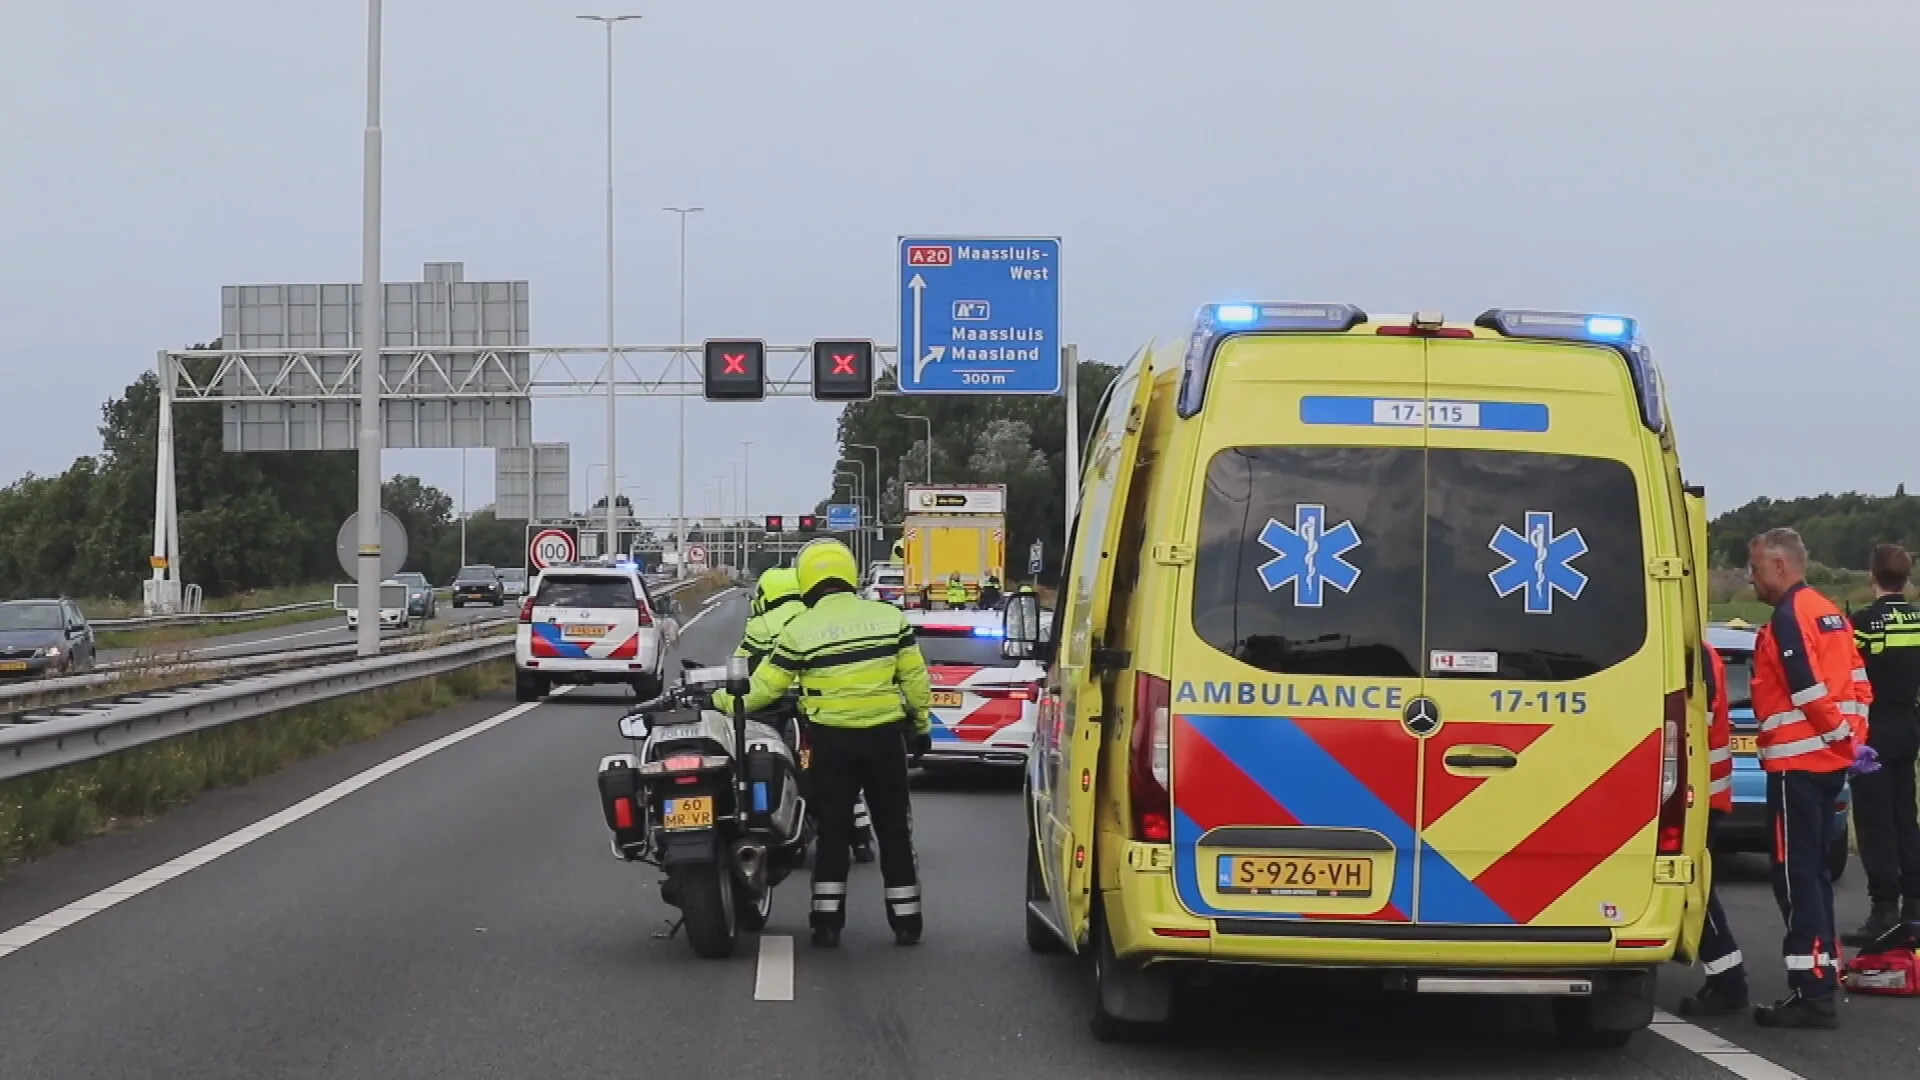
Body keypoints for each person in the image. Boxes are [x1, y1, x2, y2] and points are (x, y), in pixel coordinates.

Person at [713, 539, 933, 948]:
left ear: (808, 580)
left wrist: (720, 701)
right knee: (894, 832)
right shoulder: (890, 619)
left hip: (833, 743)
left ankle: (827, 923)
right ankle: (907, 922)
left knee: (832, 831)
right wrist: (920, 726)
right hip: (885, 741)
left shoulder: (800, 631)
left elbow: (764, 689)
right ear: (849, 574)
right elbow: (916, 680)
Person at [1746, 527, 1874, 1028]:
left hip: (1797, 767)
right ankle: (1823, 973)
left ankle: (1811, 990)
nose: (1752, 580)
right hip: (1829, 767)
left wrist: (1841, 738)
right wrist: (1855, 740)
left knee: (1797, 880)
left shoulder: (1788, 617)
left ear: (1780, 566)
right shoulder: (1831, 613)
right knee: (1816, 878)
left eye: (1756, 569)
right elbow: (1860, 681)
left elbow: (1805, 689)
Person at [735, 566, 878, 864]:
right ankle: (861, 837)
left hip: (775, 707)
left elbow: (740, 667)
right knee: (842, 770)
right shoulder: (817, 619)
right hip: (820, 706)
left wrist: (723, 696)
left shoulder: (760, 626)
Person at [1846, 543, 1920, 944]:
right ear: (1906, 576)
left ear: (1872, 575)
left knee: (1875, 822)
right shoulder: (1917, 621)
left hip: (1873, 726)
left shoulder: (1862, 623)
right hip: (1909, 721)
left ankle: (1883, 911)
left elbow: (1848, 673)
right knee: (1905, 816)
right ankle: (1915, 906)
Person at [1680, 641, 1750, 1016]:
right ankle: (1727, 976)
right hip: (1704, 790)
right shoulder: (1703, 651)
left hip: (1697, 793)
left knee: (1695, 889)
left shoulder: (1696, 653)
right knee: (1696, 887)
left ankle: (1728, 980)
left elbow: (1694, 720)